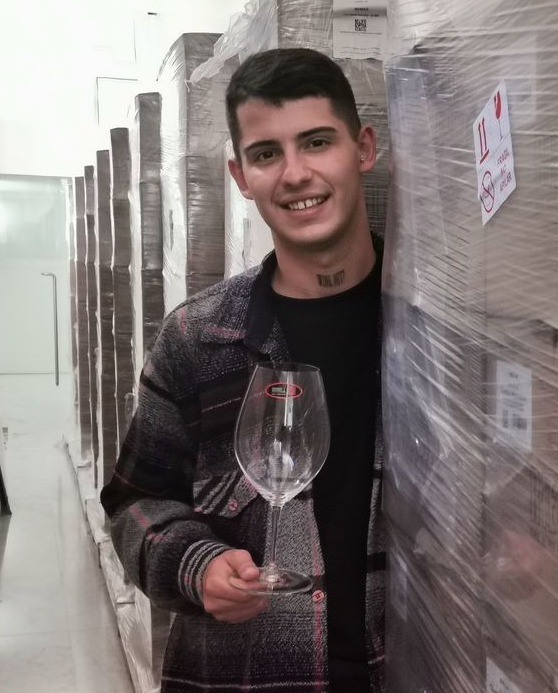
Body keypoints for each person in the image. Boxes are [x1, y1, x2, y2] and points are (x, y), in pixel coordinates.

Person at [101, 47, 385, 692]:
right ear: (239, 175)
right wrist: (195, 565)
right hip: (247, 676)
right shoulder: (199, 338)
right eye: (266, 154)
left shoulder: (435, 332)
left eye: (317, 142)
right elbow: (132, 502)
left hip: (414, 668)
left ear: (363, 148)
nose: (295, 173)